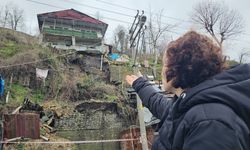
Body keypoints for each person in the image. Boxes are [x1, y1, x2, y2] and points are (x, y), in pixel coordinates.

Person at [126, 31, 250, 150]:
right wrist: (140, 84)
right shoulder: (188, 106)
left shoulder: (209, 124)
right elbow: (159, 104)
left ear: (177, 68)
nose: (161, 71)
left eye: (164, 64)